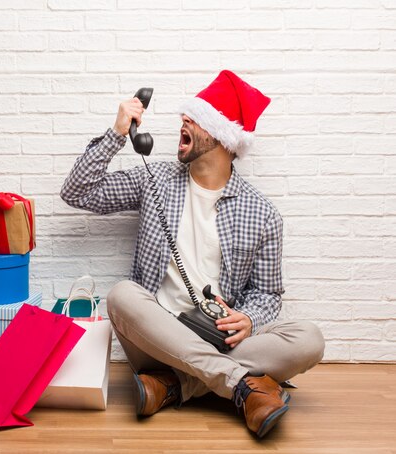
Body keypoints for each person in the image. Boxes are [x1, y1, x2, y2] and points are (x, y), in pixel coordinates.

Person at [60, 70, 325, 438]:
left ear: (223, 136)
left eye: (196, 117)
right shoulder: (155, 180)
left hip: (216, 339)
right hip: (158, 339)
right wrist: (116, 134)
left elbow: (266, 294)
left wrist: (247, 318)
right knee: (122, 295)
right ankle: (243, 386)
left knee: (309, 338)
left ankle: (175, 384)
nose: (183, 120)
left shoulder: (262, 214)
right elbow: (78, 193)